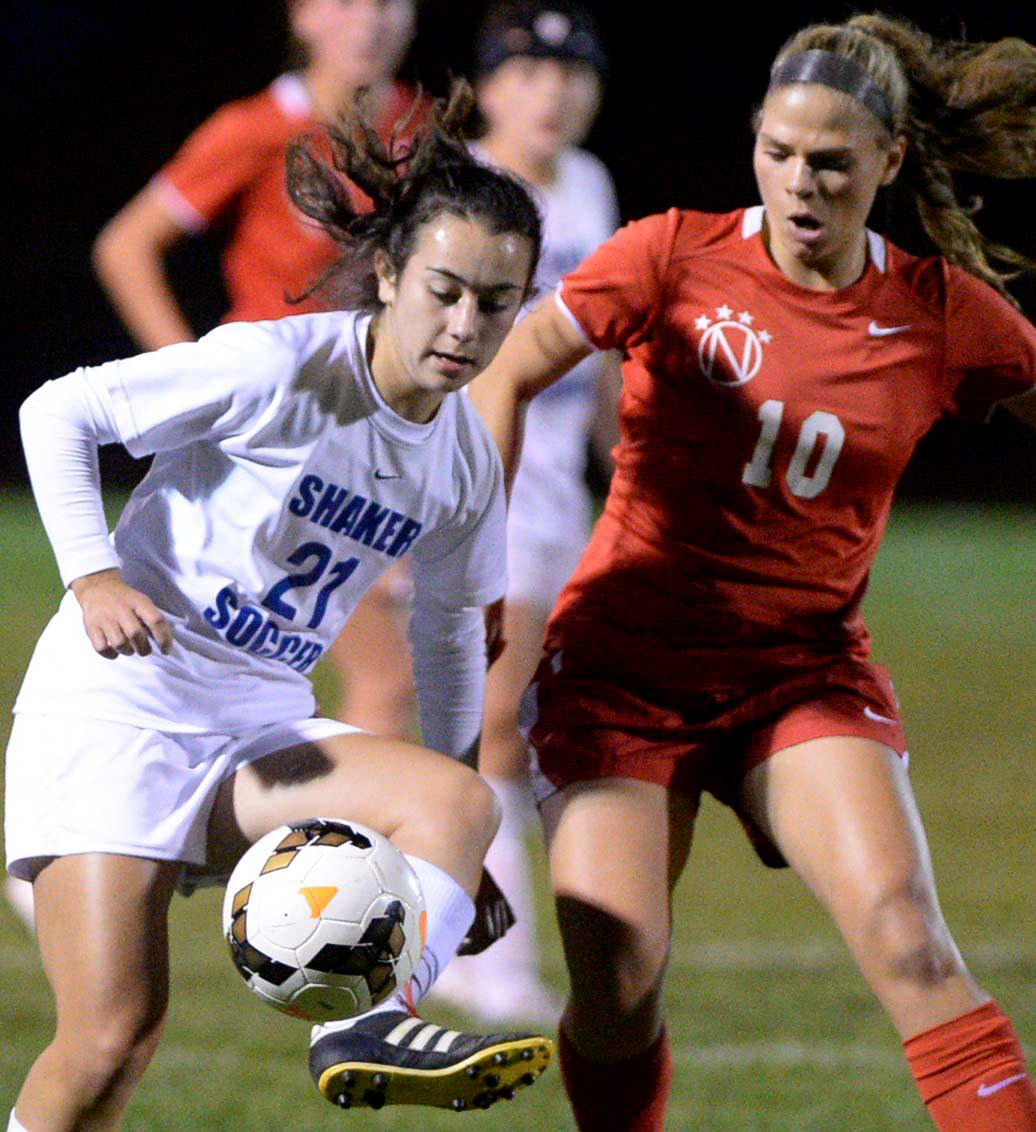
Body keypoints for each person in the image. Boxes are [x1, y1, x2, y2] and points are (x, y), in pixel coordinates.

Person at [469, 13, 1036, 1131]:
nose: (799, 184)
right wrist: (472, 551)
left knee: (909, 941)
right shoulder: (671, 256)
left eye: (831, 162)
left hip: (798, 675)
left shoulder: (934, 315)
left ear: (888, 160)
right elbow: (508, 369)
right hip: (622, 672)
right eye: (778, 153)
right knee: (617, 983)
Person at [5, 83, 554, 1132]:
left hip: (254, 730)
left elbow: (447, 636)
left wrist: (443, 850)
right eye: (444, 290)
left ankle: (366, 1024)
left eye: (496, 302)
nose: (464, 325)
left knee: (464, 801)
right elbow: (58, 410)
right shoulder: (279, 366)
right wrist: (93, 575)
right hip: (118, 710)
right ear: (388, 274)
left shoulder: (462, 461)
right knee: (110, 1040)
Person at [429, 0, 620, 1027]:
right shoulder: (457, 187)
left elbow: (606, 348)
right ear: (489, 88)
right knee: (498, 723)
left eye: (572, 73)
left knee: (497, 724)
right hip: (467, 489)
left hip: (554, 500)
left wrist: (630, 461)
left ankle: (448, 943)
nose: (553, 93)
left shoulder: (587, 185)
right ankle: (492, 963)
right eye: (529, 73)